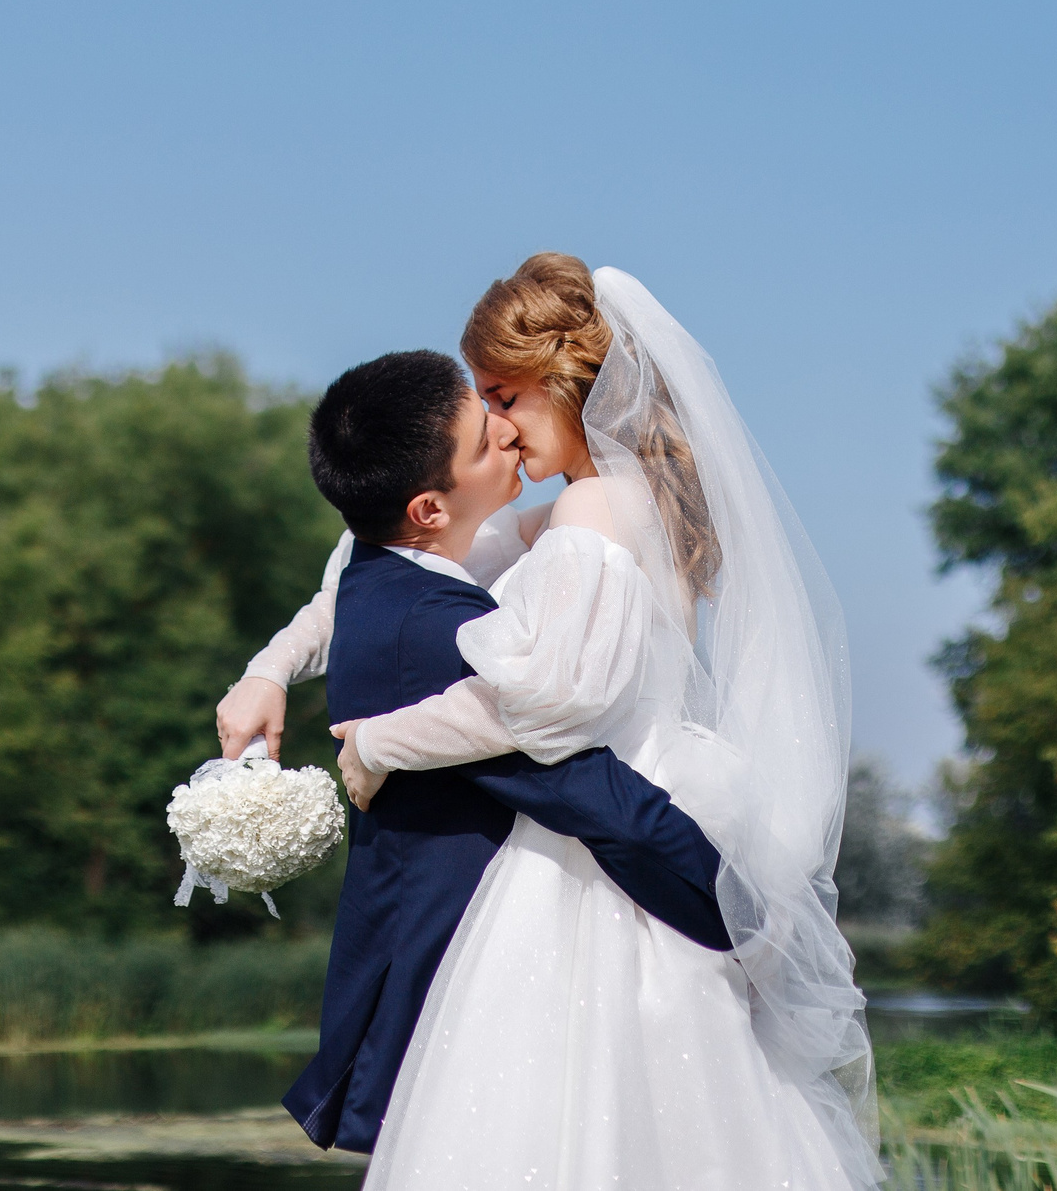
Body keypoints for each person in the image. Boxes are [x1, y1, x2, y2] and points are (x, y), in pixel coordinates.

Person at [221, 256, 879, 1190]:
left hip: (590, 866)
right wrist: (272, 666)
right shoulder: (618, 504)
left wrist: (375, 740)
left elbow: (545, 698)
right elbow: (385, 569)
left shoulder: (590, 508)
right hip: (642, 811)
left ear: (570, 387)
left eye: (505, 395)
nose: (496, 423)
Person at [222, 349, 736, 1157]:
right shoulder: (444, 634)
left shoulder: (378, 571)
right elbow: (592, 795)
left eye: (499, 400)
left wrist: (266, 670)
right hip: (455, 973)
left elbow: (333, 602)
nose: (504, 427)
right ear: (428, 505)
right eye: (483, 429)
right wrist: (739, 913)